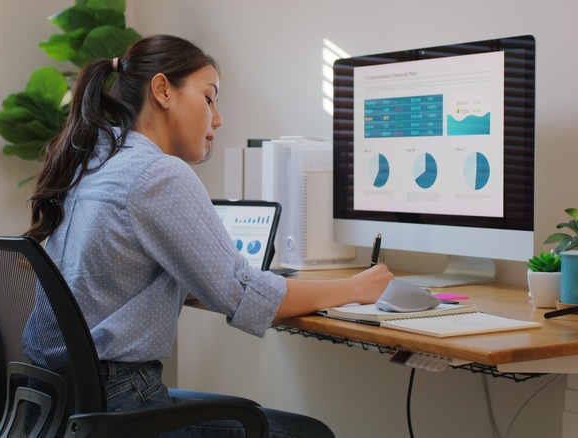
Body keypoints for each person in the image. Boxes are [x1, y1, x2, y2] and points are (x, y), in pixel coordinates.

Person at [22, 34, 393, 437]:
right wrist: (357, 287)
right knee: (306, 433)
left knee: (250, 413)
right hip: (118, 401)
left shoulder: (94, 161)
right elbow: (244, 296)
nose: (217, 118)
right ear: (163, 90)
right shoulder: (158, 174)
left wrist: (198, 278)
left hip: (54, 402)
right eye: (209, 97)